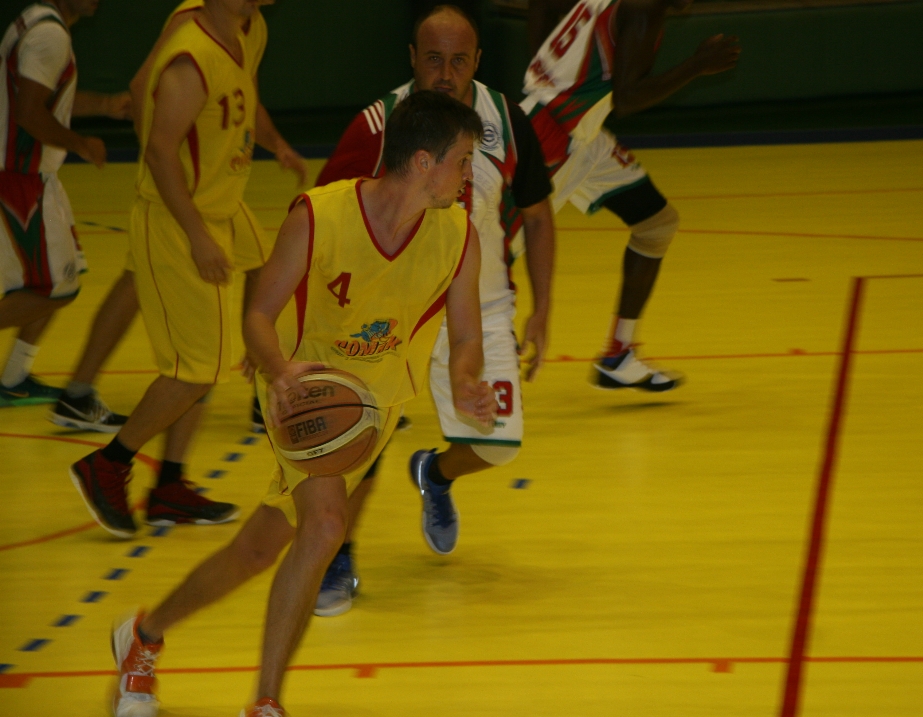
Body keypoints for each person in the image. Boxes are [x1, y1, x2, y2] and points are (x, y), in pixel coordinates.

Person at [108, 90, 494, 717]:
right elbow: (259, 315)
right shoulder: (320, 215)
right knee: (325, 526)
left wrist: (469, 379)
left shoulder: (458, 237)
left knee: (257, 550)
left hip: (372, 409)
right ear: (424, 162)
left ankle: (143, 636)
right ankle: (266, 702)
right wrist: (280, 369)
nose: (468, 173)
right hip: (305, 390)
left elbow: (468, 336)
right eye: (463, 160)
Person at [311, 3, 555, 617]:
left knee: (498, 444)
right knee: (362, 438)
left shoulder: (507, 120)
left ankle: (436, 473)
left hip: (484, 305)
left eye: (459, 60)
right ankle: (337, 555)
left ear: (478, 61)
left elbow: (539, 214)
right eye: (434, 59)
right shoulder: (378, 124)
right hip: (392, 312)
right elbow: (322, 213)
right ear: (413, 59)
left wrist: (543, 306)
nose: (446, 74)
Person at [67, 0, 293, 537]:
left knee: (242, 304)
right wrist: (196, 235)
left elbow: (247, 102)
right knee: (196, 369)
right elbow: (159, 151)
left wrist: (277, 144)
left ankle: (169, 484)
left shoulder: (250, 30)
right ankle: (109, 464)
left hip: (220, 204)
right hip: (179, 218)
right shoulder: (190, 59)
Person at [525, 0, 740, 390]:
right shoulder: (645, 7)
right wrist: (696, 65)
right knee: (479, 257)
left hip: (577, 130)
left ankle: (618, 355)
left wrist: (544, 73)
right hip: (553, 138)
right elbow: (627, 98)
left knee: (656, 224)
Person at [0, 0, 130, 407]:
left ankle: (14, 378)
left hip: (33, 177)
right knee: (56, 289)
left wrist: (105, 105)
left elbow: (46, 100)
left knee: (58, 278)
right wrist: (81, 144)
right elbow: (29, 113)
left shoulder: (35, 19)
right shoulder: (50, 35)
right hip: (19, 177)